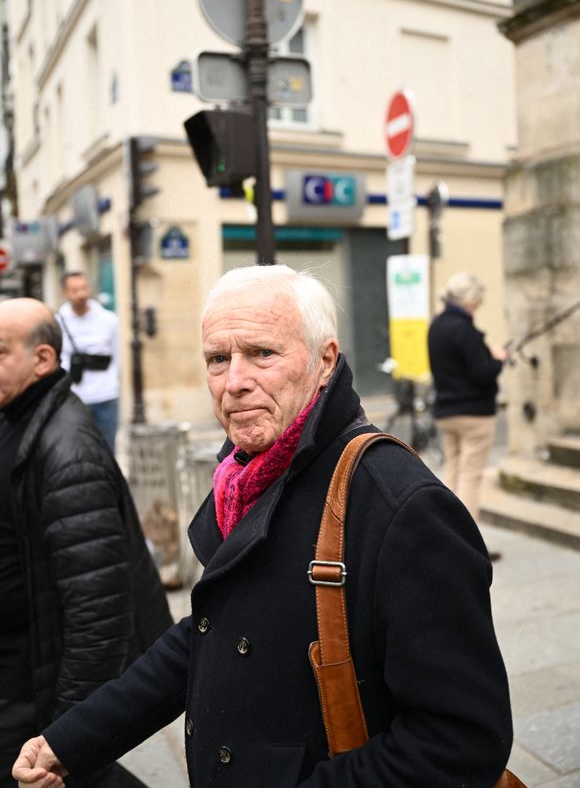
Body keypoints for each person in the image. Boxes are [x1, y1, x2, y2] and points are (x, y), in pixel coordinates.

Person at [14, 266, 513, 788]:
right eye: (217, 358)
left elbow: (460, 740)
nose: (234, 382)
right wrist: (69, 741)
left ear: (325, 361)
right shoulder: (246, 477)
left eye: (263, 353)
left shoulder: (400, 505)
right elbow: (211, 635)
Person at [0, 298, 173, 788]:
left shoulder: (69, 451)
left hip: (31, 680)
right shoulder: (17, 415)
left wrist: (69, 734)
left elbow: (100, 612)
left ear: (42, 361)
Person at [428, 272, 509, 525]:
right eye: (478, 301)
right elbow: (482, 373)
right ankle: (468, 547)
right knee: (471, 478)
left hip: (445, 411)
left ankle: (446, 537)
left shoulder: (436, 326)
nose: (478, 306)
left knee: (451, 473)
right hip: (474, 413)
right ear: (469, 299)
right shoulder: (465, 330)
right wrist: (498, 359)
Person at [57, 272, 120, 452]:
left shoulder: (108, 320)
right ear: (65, 293)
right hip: (74, 396)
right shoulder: (58, 322)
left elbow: (117, 356)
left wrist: (114, 383)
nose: (81, 294)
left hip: (106, 396)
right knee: (77, 450)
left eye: (84, 288)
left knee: (108, 451)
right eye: (75, 290)